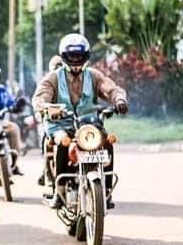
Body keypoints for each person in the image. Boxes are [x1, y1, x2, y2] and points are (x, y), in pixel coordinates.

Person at [32, 33, 129, 209]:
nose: (76, 59)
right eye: (72, 56)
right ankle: (59, 191)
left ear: (86, 56)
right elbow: (40, 97)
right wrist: (47, 107)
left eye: (79, 56)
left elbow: (110, 89)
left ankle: (106, 190)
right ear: (64, 56)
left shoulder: (93, 75)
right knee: (63, 141)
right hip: (61, 124)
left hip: (89, 125)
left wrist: (119, 100)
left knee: (107, 141)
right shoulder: (53, 77)